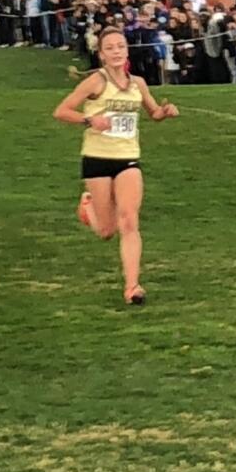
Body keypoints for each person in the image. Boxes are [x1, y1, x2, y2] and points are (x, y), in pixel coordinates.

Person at [52, 26, 180, 305]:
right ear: (101, 54)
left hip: (128, 158)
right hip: (97, 158)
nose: (116, 52)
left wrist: (164, 112)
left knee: (130, 221)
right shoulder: (95, 82)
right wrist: (90, 121)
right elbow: (61, 111)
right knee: (107, 231)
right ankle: (88, 207)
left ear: (127, 50)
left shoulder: (138, 84)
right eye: (109, 48)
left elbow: (153, 112)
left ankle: (132, 287)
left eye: (120, 46)